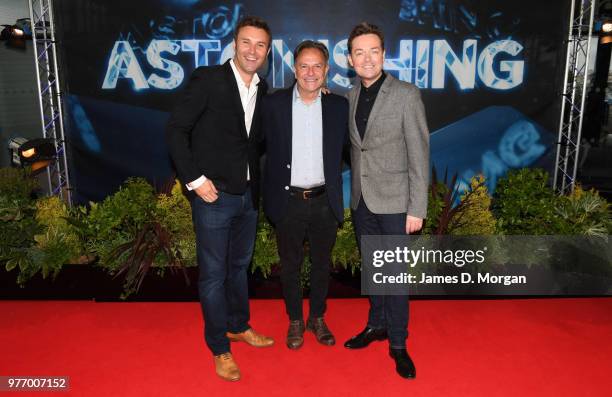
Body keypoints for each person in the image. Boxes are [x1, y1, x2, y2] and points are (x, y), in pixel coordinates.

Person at [166, 16, 274, 382]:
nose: (252, 50)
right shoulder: (208, 79)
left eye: (260, 45)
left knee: (238, 268)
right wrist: (195, 180)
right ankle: (219, 347)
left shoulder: (264, 88)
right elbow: (176, 129)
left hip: (247, 198)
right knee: (213, 276)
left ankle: (238, 325)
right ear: (234, 44)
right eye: (247, 42)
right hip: (213, 198)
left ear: (268, 51)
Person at [343, 22, 429, 379]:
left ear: (383, 53)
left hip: (396, 203)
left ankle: (398, 343)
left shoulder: (406, 94)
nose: (366, 58)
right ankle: (376, 325)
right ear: (350, 59)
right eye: (359, 52)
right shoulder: (348, 96)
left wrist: (416, 207)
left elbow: (420, 153)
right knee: (374, 270)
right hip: (363, 201)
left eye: (373, 51)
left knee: (394, 276)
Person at [261, 40, 348, 350]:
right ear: (294, 69)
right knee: (290, 265)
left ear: (326, 70)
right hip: (288, 202)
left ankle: (318, 318)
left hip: (325, 201)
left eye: (317, 66)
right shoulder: (273, 104)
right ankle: (296, 319)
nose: (310, 72)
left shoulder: (339, 106)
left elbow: (355, 150)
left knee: (322, 264)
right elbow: (254, 145)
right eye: (304, 66)